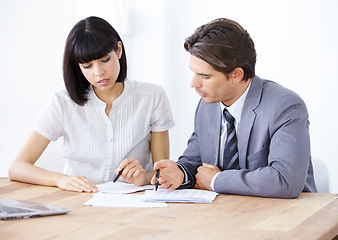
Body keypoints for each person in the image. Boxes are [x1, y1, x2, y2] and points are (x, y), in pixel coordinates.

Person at [151, 18, 317, 198]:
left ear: (236, 75)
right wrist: (180, 173)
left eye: (205, 76)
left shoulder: (285, 106)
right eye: (193, 72)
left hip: (285, 215)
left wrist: (216, 181)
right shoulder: (208, 104)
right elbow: (194, 162)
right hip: (228, 213)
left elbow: (284, 181)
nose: (193, 83)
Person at [9, 16, 174, 193]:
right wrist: (61, 179)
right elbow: (17, 167)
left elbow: (162, 173)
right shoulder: (62, 102)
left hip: (132, 203)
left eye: (105, 60)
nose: (99, 73)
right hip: (77, 201)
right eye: (87, 66)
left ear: (118, 50)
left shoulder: (152, 97)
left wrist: (144, 178)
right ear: (78, 66)